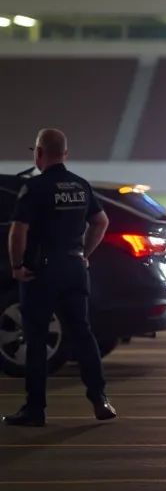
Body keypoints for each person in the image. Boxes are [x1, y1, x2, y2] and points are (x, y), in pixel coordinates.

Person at [3, 129, 117, 427]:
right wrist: (84, 253)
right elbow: (101, 221)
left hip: (42, 271)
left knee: (37, 340)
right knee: (82, 333)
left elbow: (18, 231)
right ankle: (99, 397)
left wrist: (16, 266)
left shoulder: (35, 187)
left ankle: (35, 408)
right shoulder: (80, 186)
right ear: (65, 154)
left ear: (39, 153)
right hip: (74, 268)